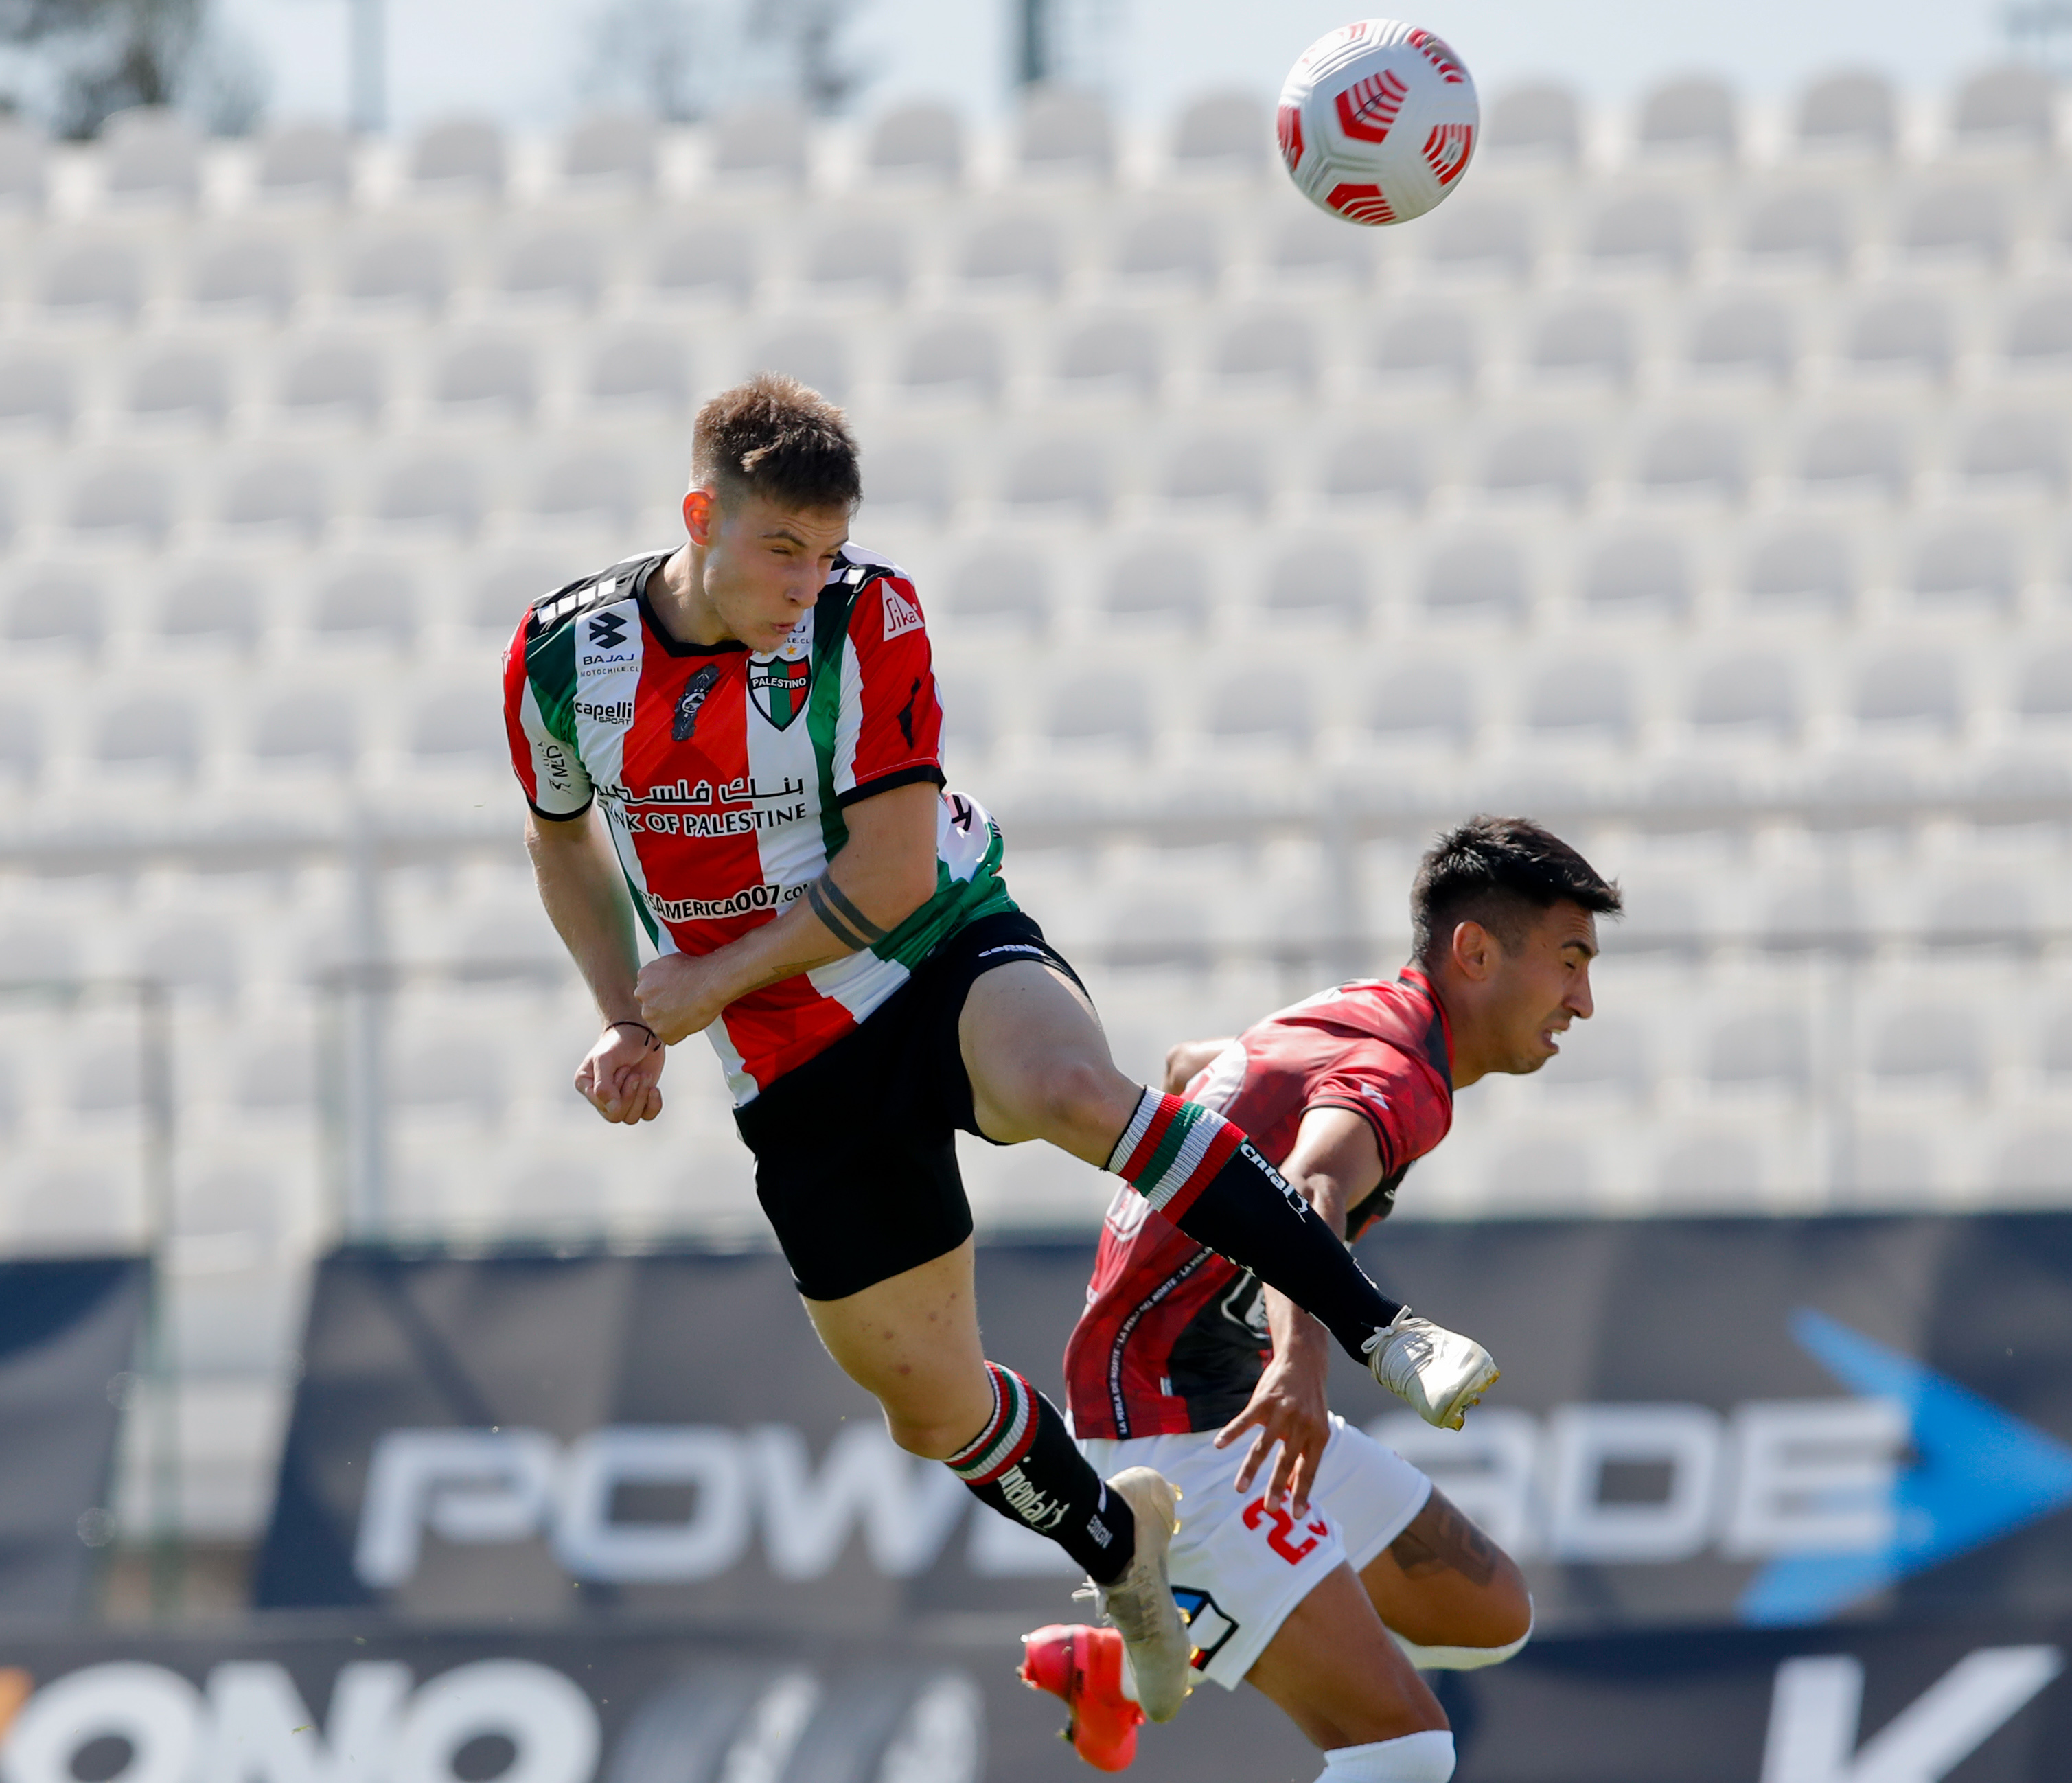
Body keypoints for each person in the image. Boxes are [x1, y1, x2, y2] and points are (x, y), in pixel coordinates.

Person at [500, 376, 1502, 1719]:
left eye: (824, 548)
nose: (806, 581)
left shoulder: (873, 615)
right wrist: (629, 1012)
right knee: (925, 1405)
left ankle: (1383, 1330)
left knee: (1066, 1091)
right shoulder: (569, 654)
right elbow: (560, 837)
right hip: (788, 1055)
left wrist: (698, 987)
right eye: (777, 549)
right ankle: (1124, 1564)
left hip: (930, 947)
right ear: (701, 518)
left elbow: (896, 877)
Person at [1019, 817, 1620, 1782]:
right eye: (1569, 960)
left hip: (1217, 1397)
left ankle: (1123, 1657)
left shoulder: (1358, 1013)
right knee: (1410, 1751)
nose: (1584, 1000)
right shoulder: (1400, 1071)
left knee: (1491, 1611)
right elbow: (1308, 1192)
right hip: (1182, 1436)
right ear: (1474, 950)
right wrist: (1298, 1366)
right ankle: (1157, 1581)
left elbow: (1187, 1065)